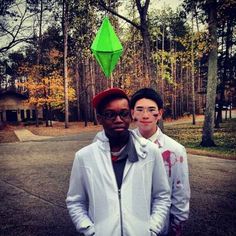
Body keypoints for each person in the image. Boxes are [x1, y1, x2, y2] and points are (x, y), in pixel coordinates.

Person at [66, 87, 171, 236]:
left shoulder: (149, 152)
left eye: (124, 113)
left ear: (131, 115)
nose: (118, 120)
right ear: (99, 118)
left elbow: (162, 196)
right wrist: (89, 230)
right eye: (110, 114)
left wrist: (152, 229)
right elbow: (75, 201)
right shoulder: (84, 157)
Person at [130, 88, 190, 236]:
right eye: (139, 109)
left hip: (159, 228)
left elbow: (180, 192)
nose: (145, 115)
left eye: (151, 110)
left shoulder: (175, 150)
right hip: (127, 224)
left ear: (160, 114)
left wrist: (177, 226)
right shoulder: (123, 144)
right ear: (132, 113)